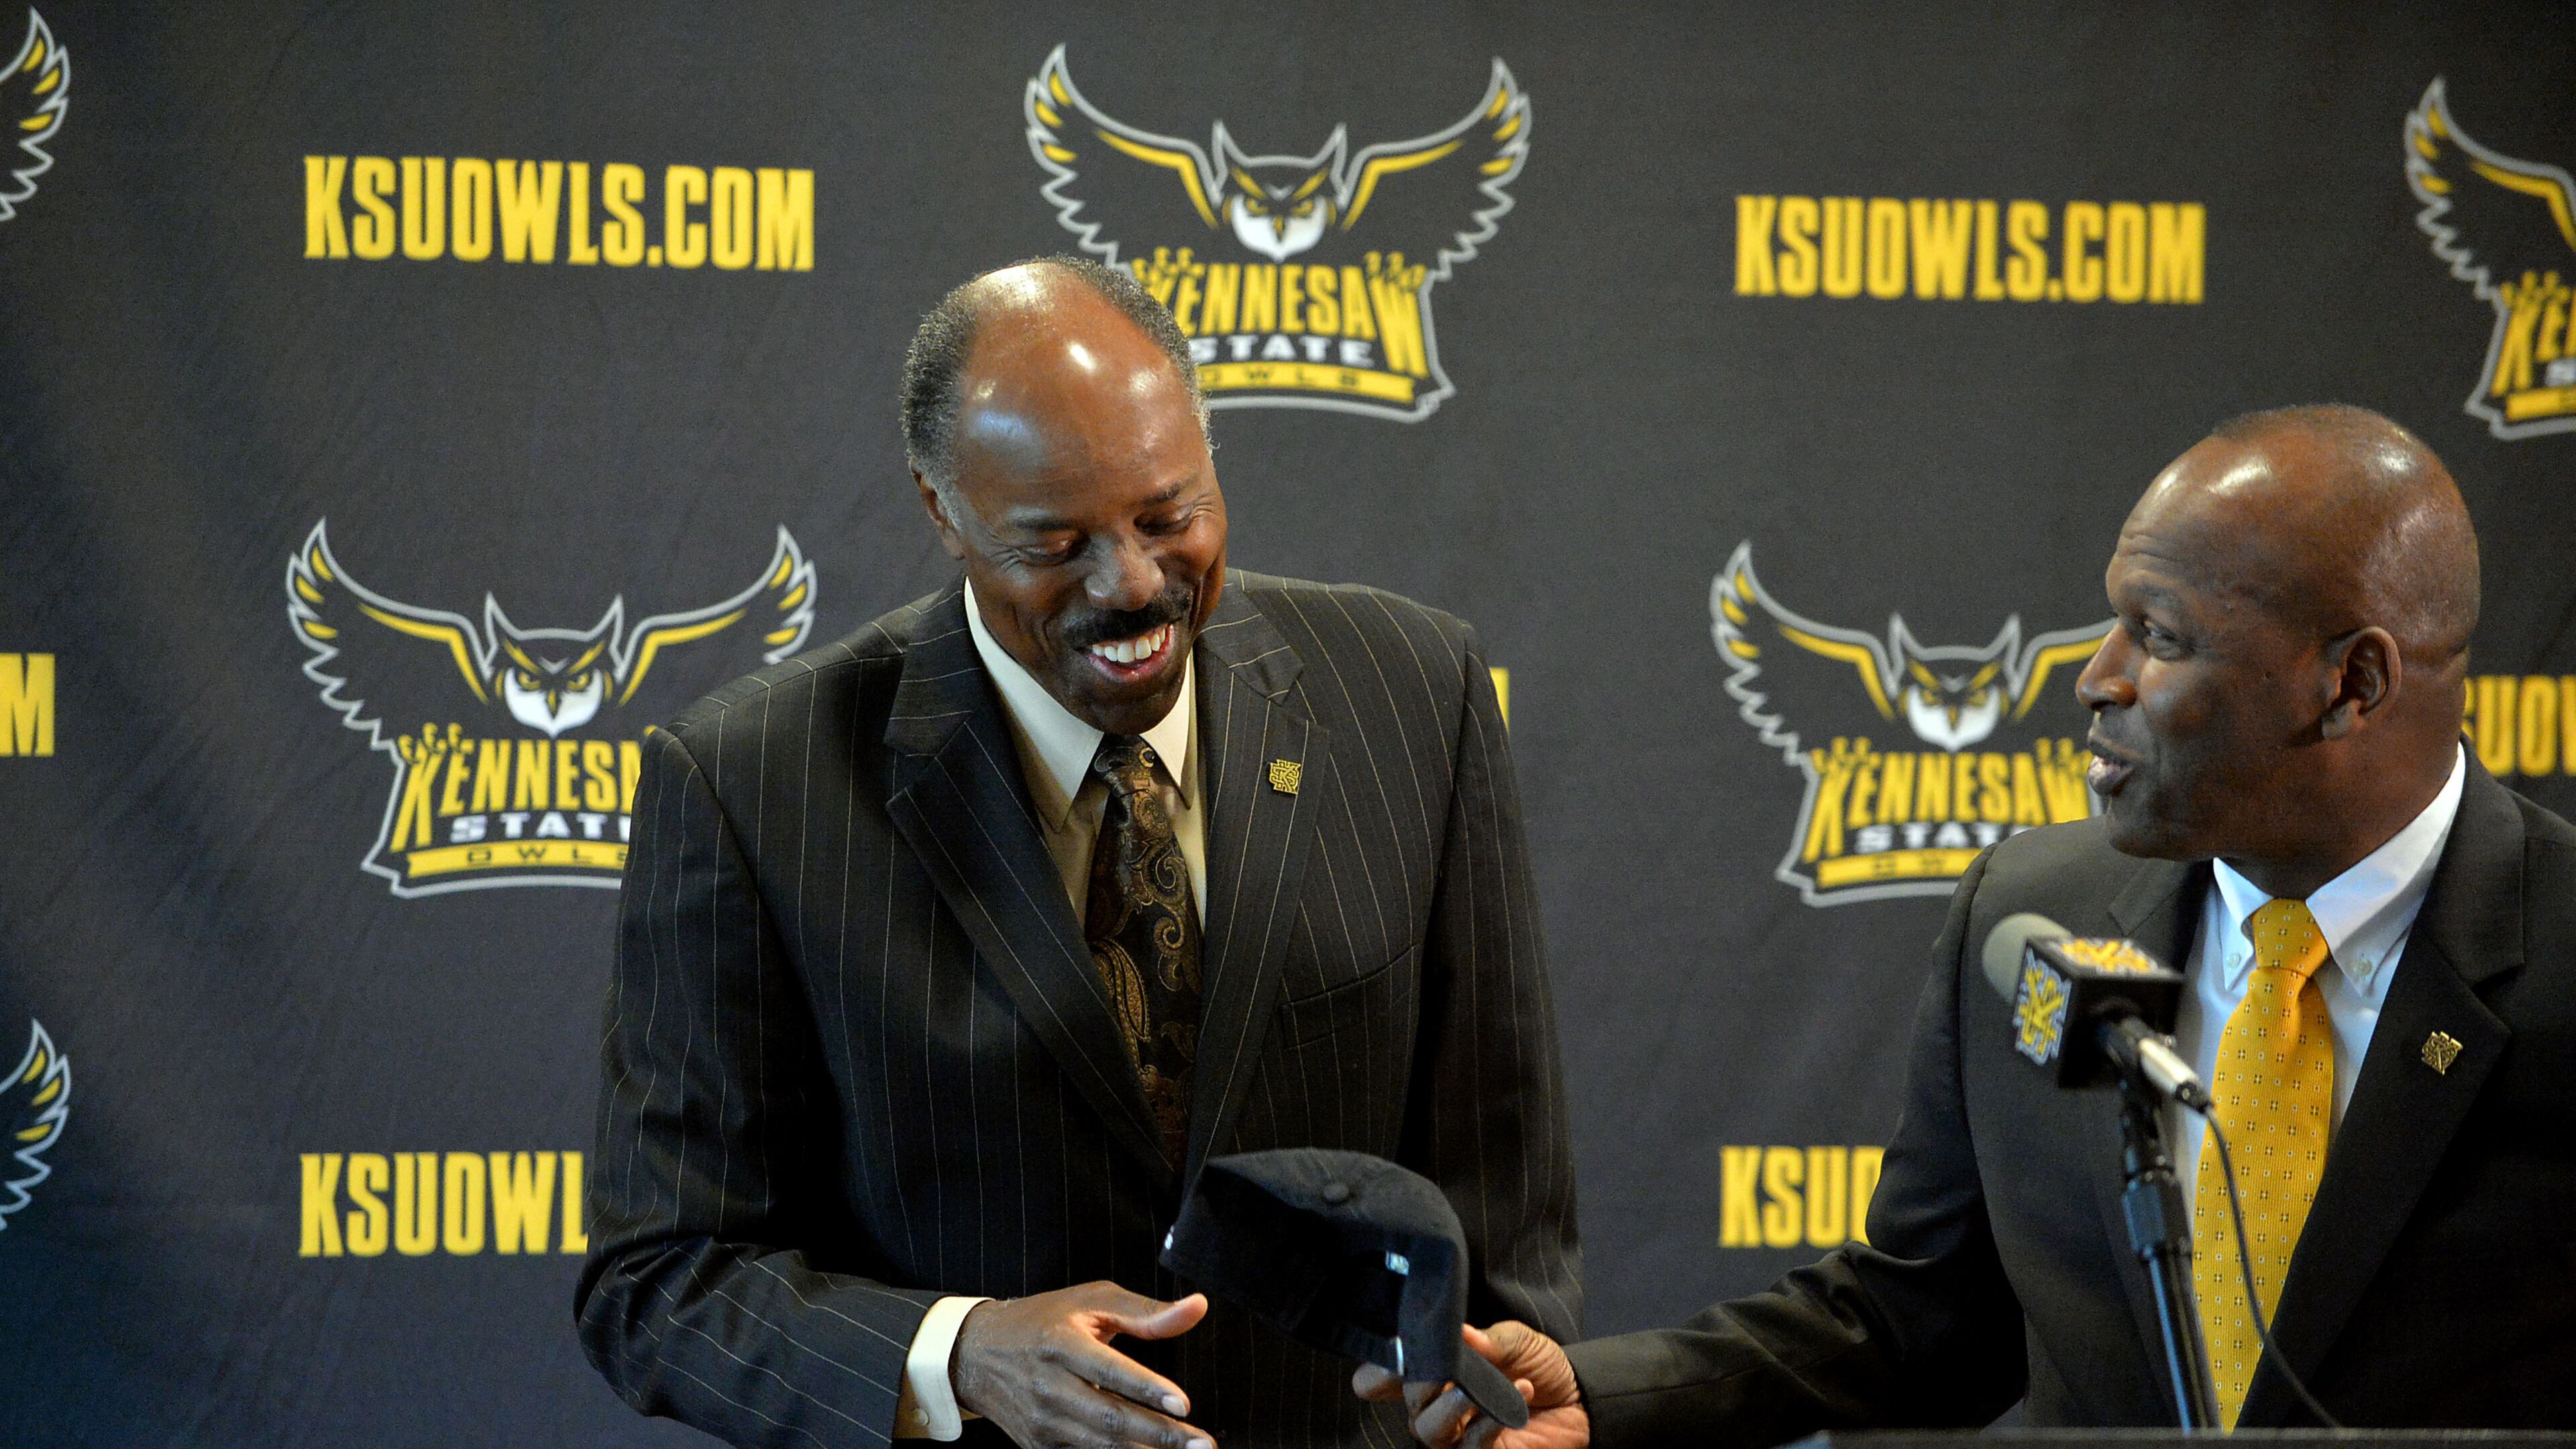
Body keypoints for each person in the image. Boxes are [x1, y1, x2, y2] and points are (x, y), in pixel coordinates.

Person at [1368, 405, 2576, 1445]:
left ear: (2352, 684)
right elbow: (1922, 1318)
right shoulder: (2033, 922)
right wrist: (1604, 1390)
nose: (2096, 676)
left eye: (2158, 636)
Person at [576, 255, 1581, 1448]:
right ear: (941, 510)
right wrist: (960, 1354)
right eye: (1056, 545)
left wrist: (1506, 1397)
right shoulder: (752, 783)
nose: (1136, 584)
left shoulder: (1417, 693)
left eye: (1171, 516)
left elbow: (1504, 1200)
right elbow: (660, 1278)